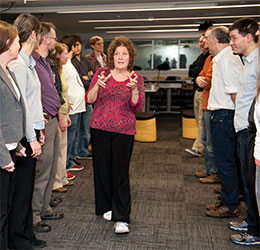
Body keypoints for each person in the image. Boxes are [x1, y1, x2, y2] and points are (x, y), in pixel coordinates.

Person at [86, 35, 144, 233]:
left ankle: (122, 218)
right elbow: (89, 99)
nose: (120, 57)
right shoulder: (102, 73)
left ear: (130, 57)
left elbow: (137, 106)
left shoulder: (136, 78)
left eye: (124, 54)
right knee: (102, 170)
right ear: (112, 56)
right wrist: (97, 85)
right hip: (100, 128)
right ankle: (107, 206)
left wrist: (134, 90)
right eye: (117, 53)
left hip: (123, 130)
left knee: (120, 173)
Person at [7, 13, 46, 249]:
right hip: (22, 134)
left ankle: (26, 233)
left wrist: (39, 128)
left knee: (27, 188)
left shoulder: (29, 63)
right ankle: (18, 239)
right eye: (39, 34)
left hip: (30, 130)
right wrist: (31, 137)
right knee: (21, 192)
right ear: (33, 34)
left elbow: (33, 103)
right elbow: (19, 107)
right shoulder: (19, 65)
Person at [204, 26, 243, 218]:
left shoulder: (227, 60)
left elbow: (236, 94)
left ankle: (230, 204)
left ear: (216, 40)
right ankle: (229, 197)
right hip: (222, 115)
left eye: (207, 39)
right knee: (225, 161)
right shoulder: (222, 59)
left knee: (226, 162)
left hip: (225, 115)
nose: (205, 42)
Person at [228, 18, 259, 246]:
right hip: (242, 129)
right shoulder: (247, 61)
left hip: (251, 131)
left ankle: (256, 231)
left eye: (234, 37)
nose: (231, 43)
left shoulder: (258, 62)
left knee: (252, 182)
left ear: (249, 37)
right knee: (247, 182)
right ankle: (251, 220)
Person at [32, 22, 64, 233]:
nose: (55, 41)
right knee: (41, 170)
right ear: (45, 40)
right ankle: (34, 216)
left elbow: (52, 92)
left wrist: (59, 116)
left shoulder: (46, 62)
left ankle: (45, 207)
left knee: (51, 168)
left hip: (53, 119)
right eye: (53, 37)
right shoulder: (32, 62)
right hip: (42, 122)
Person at [0, 20, 26, 250]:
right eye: (18, 41)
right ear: (8, 44)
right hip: (0, 155)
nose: (20, 45)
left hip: (8, 149)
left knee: (6, 207)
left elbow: (9, 114)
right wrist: (3, 156)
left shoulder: (8, 72)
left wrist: (16, 144)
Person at [195, 27, 220, 184]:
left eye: (206, 38)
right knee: (206, 140)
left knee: (211, 143)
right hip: (205, 102)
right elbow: (201, 75)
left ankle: (214, 172)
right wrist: (200, 78)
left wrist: (201, 79)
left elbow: (207, 79)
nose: (204, 41)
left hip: (212, 105)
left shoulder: (219, 59)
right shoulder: (209, 58)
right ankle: (210, 169)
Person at [60, 34, 86, 175]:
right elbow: (61, 85)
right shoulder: (64, 63)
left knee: (73, 137)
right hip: (71, 107)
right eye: (77, 45)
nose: (79, 48)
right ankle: (66, 165)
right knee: (69, 139)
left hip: (77, 106)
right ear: (73, 47)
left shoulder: (70, 62)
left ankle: (70, 160)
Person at [50, 43, 73, 193]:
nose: (67, 56)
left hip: (63, 112)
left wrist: (66, 114)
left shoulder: (60, 70)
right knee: (58, 150)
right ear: (58, 55)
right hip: (58, 113)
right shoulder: (54, 70)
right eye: (64, 53)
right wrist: (61, 116)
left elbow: (62, 94)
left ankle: (62, 177)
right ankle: (56, 182)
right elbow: (56, 96)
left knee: (63, 149)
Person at [185, 34, 210, 157]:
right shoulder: (201, 57)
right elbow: (191, 71)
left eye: (203, 41)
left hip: (205, 93)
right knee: (198, 121)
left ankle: (198, 148)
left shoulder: (211, 57)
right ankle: (202, 145)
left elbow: (196, 72)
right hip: (197, 91)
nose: (201, 43)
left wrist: (196, 71)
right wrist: (196, 72)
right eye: (199, 41)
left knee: (201, 121)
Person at [71, 34, 94, 160]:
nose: (77, 48)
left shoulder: (85, 60)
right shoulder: (70, 61)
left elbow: (92, 76)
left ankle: (83, 152)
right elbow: (80, 80)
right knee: (75, 130)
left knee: (87, 127)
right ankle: (74, 154)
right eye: (74, 45)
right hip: (76, 98)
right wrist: (86, 78)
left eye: (79, 44)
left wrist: (87, 77)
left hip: (87, 97)